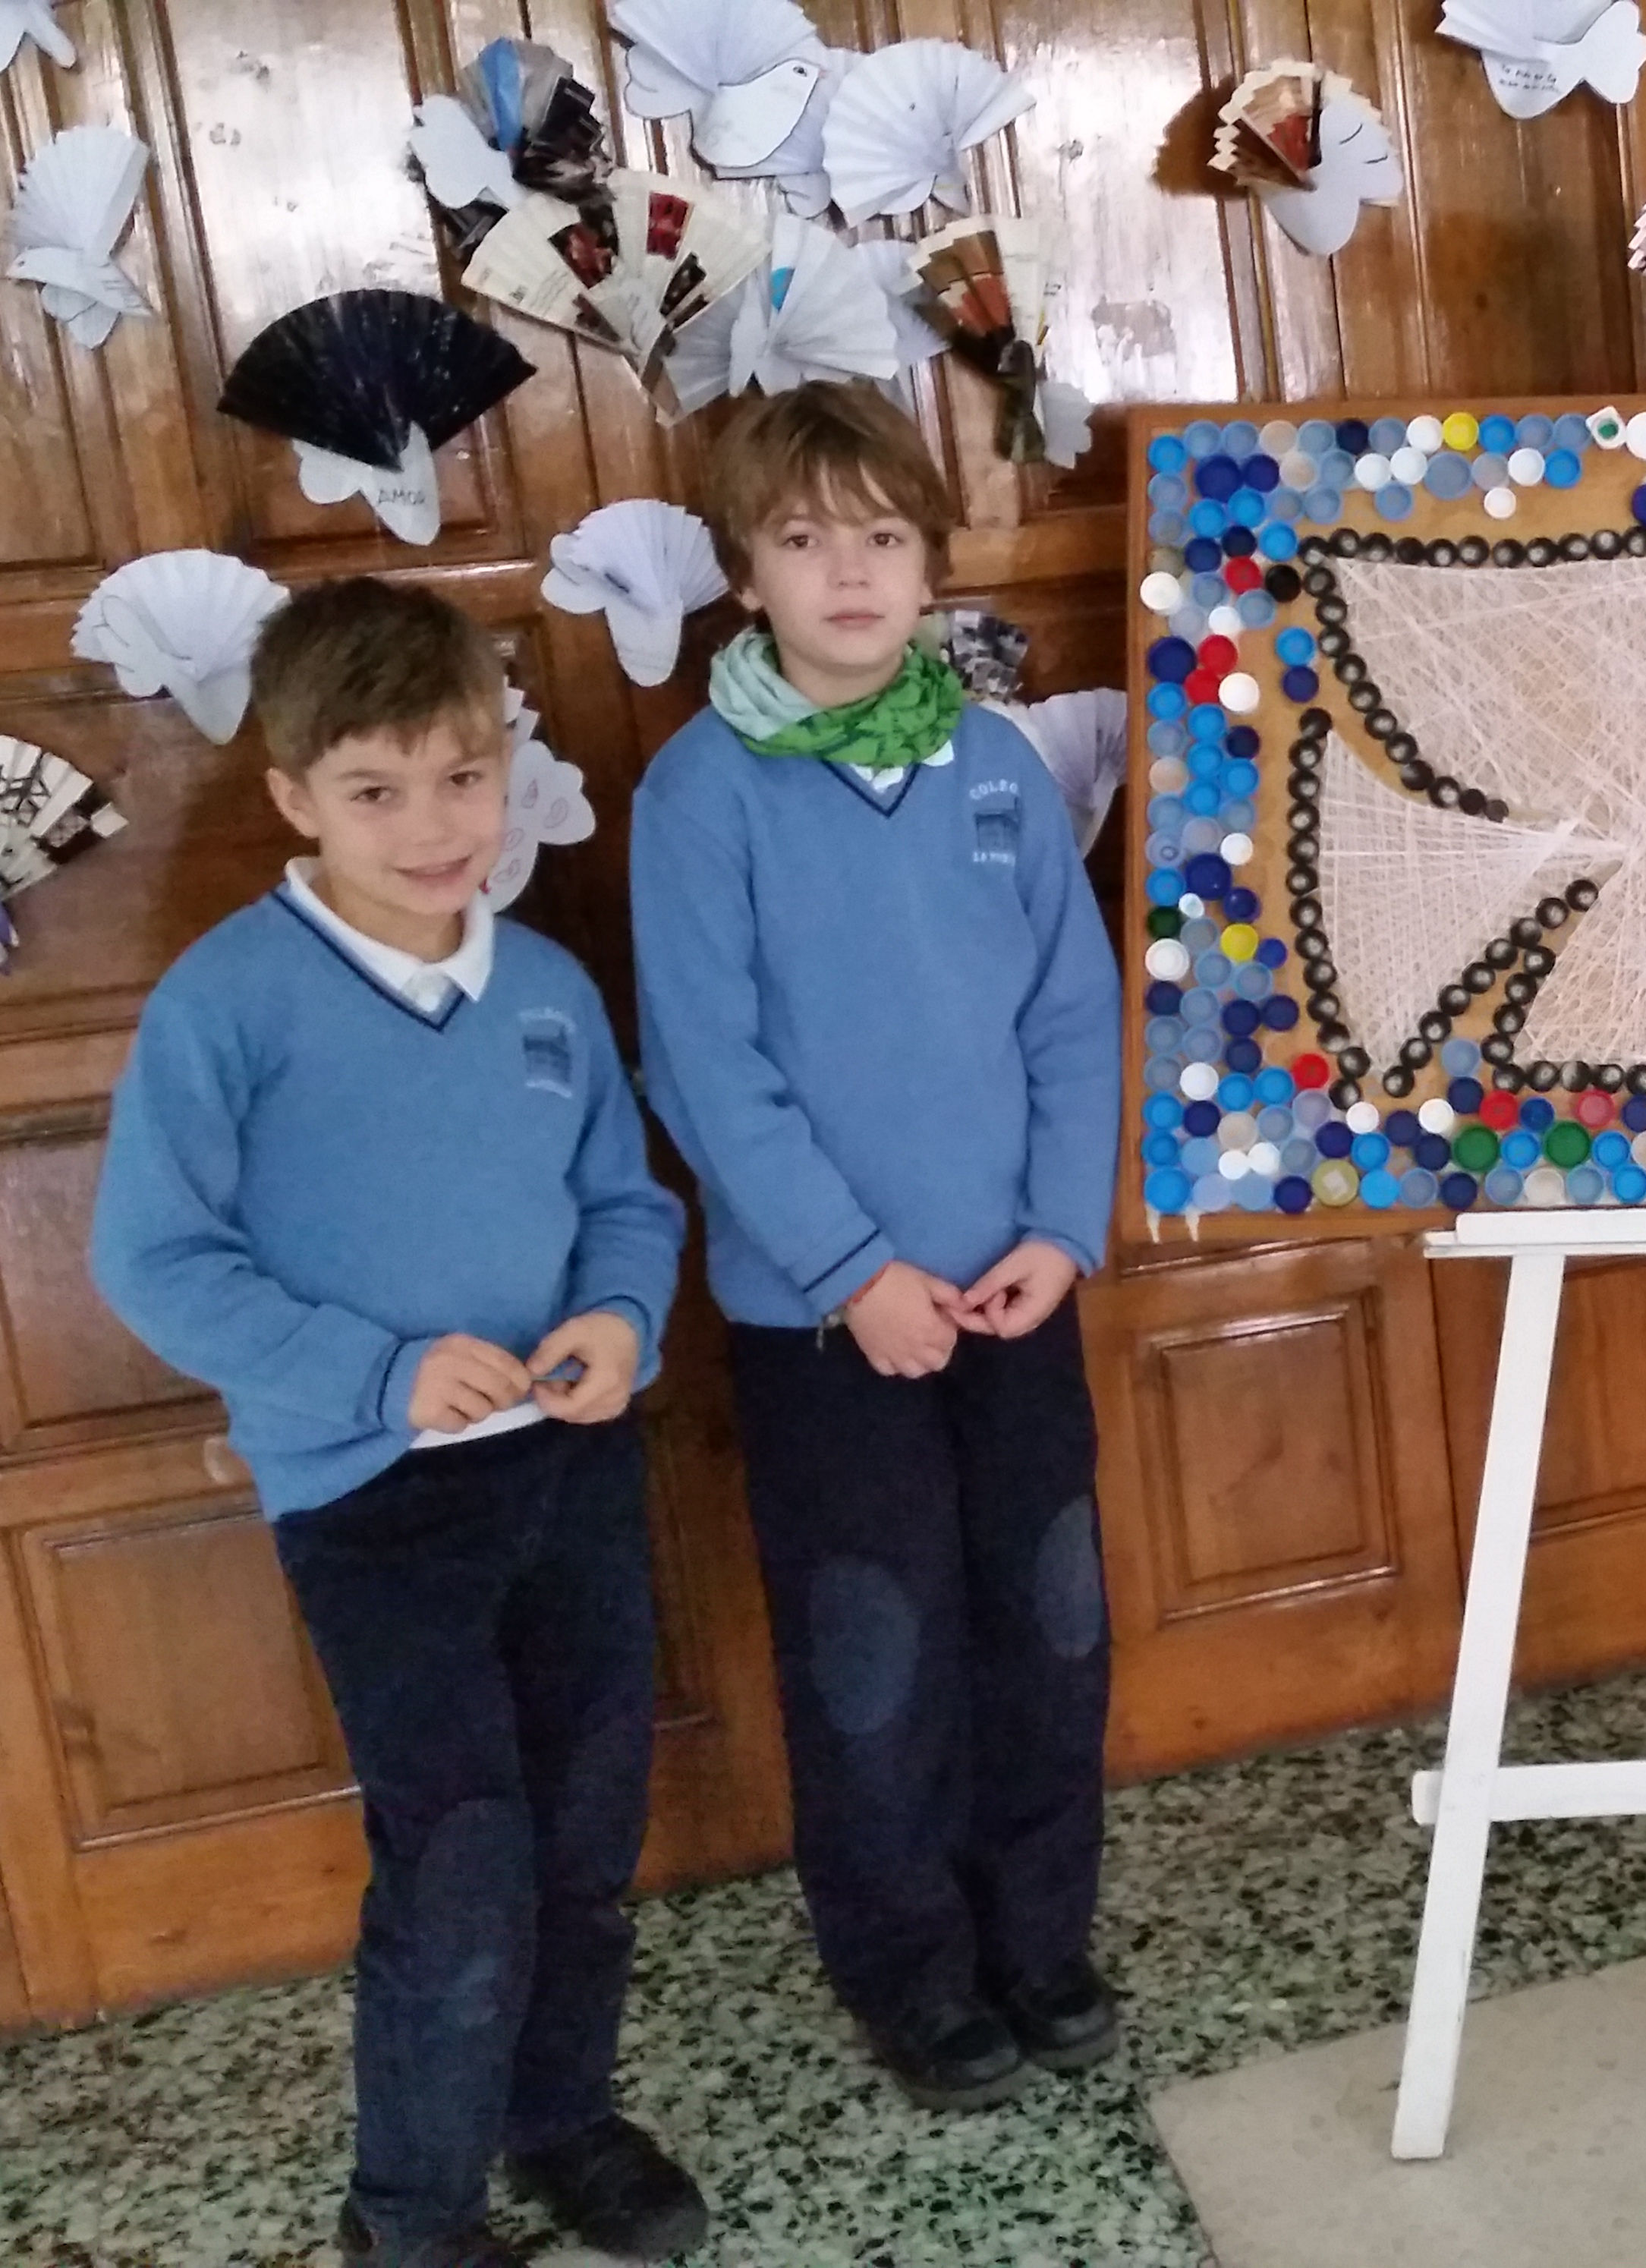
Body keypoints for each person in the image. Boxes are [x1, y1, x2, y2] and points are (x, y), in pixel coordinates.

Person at [89, 578, 705, 2268]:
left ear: (504, 770)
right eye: (377, 789)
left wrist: (618, 1317)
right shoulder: (228, 1002)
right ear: (295, 795)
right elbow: (153, 1258)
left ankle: (561, 2117)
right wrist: (377, 1375)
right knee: (460, 1861)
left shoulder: (548, 989)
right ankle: (412, 2216)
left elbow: (625, 1204)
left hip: (567, 1471)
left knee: (586, 1824)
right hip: (372, 1504)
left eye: (461, 778)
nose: (433, 828)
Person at [629, 383, 1126, 2112]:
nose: (848, 573)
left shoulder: (994, 767)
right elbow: (705, 1065)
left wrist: (1060, 1231)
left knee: (1048, 1619)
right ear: (744, 572)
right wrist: (850, 1270)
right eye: (804, 539)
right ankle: (912, 1970)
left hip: (1016, 1297)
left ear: (930, 568)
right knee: (876, 1649)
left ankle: (1038, 1938)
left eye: (883, 537)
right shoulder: (702, 793)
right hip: (827, 1326)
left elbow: (1070, 1018)